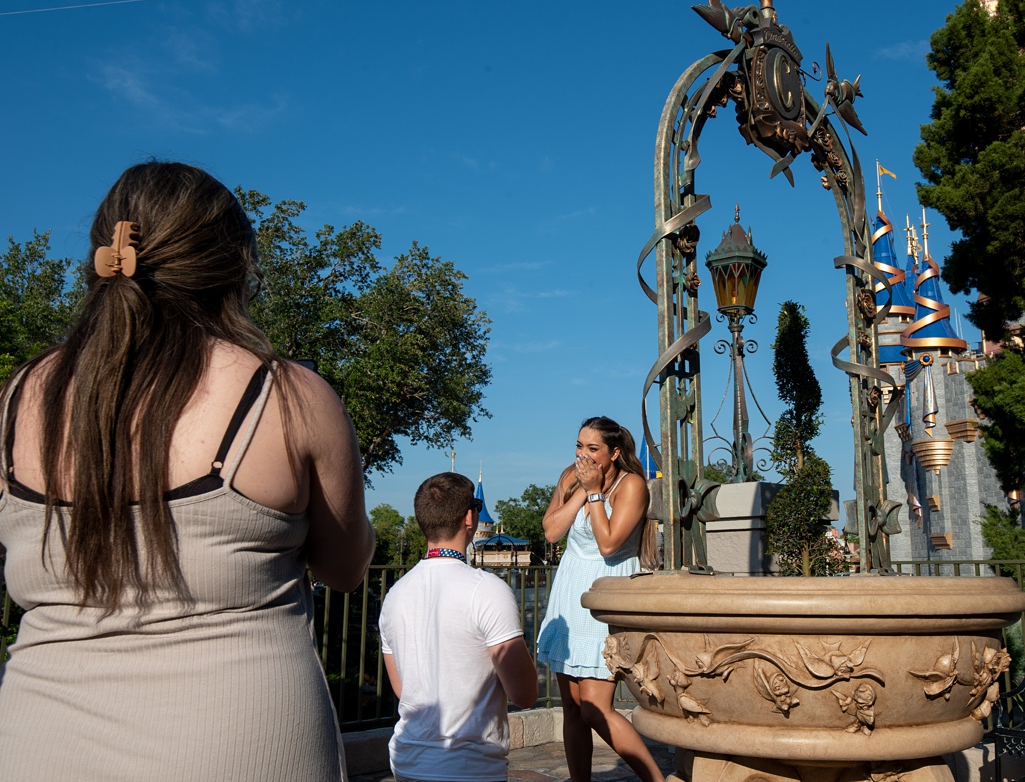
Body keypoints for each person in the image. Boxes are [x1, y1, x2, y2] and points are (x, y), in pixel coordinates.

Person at [0, 162, 375, 781]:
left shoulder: (19, 399)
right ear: (233, 267)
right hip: (244, 742)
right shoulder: (288, 397)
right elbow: (343, 569)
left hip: (36, 741)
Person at [378, 472, 538, 782]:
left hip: (407, 761)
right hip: (469, 766)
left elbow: (403, 689)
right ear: (469, 517)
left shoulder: (394, 595)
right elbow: (525, 694)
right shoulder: (487, 590)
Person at [537, 416, 663, 782]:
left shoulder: (632, 485)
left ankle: (656, 779)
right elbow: (551, 532)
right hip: (569, 594)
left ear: (614, 452)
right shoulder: (569, 476)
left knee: (595, 708)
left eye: (593, 449)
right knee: (574, 710)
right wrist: (581, 488)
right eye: (579, 446)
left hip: (606, 594)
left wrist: (594, 494)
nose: (583, 455)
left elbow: (608, 544)